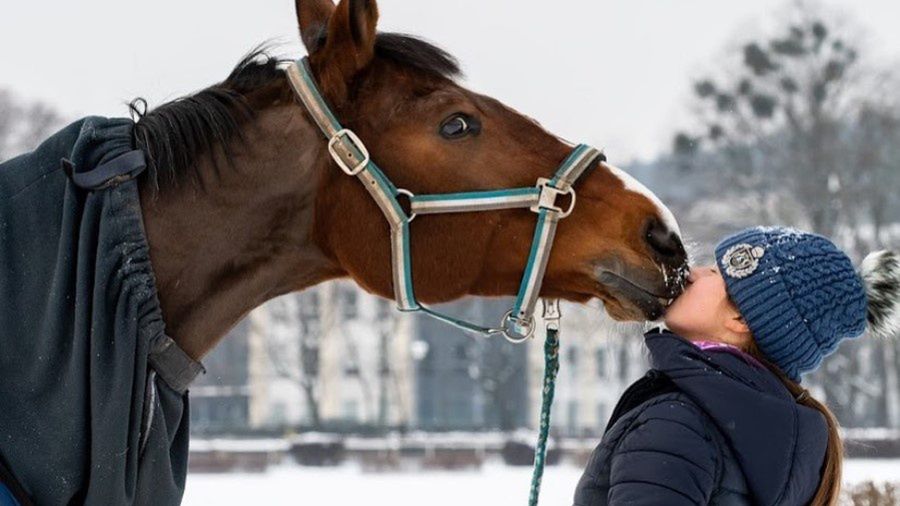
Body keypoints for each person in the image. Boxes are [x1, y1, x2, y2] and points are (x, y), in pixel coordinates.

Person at [573, 226, 900, 506]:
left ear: (741, 318)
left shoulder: (677, 424)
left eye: (715, 272)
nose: (692, 272)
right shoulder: (782, 438)